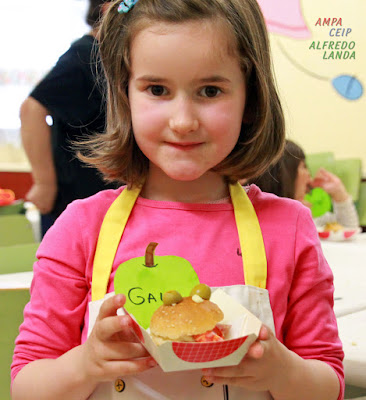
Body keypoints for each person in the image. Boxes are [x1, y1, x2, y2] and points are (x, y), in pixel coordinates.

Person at [11, 0, 344, 399]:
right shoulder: (81, 227)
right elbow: (26, 387)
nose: (183, 121)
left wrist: (282, 371)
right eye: (157, 89)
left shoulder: (288, 228)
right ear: (125, 94)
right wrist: (85, 363)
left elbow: (328, 385)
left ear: (250, 98)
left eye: (210, 90)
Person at [19, 0, 116, 237]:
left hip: (100, 195)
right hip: (75, 198)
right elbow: (32, 109)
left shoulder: (113, 58)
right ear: (108, 11)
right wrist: (44, 183)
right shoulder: (85, 54)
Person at [250, 139, 359, 229]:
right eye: (303, 167)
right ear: (286, 174)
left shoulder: (306, 210)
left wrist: (339, 192)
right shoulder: (262, 219)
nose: (308, 174)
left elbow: (348, 230)